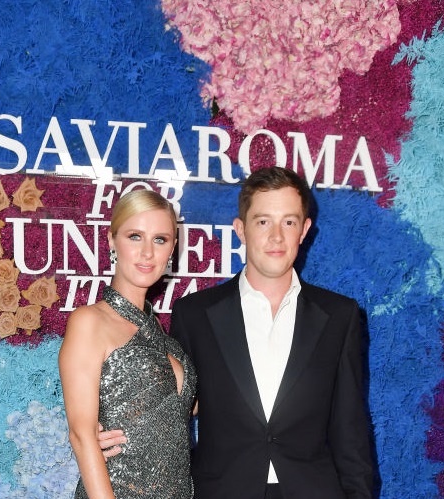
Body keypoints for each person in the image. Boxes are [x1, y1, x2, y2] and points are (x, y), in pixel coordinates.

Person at [100, 167, 373, 499]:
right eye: (263, 221)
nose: (276, 236)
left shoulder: (339, 315)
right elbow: (173, 408)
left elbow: (350, 430)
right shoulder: (195, 314)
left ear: (304, 230)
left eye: (288, 222)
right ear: (241, 230)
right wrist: (118, 429)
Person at [59, 188, 197, 498]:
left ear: (172, 248)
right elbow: (82, 436)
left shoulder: (163, 338)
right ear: (112, 240)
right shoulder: (89, 322)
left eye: (160, 239)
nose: (147, 252)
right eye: (135, 236)